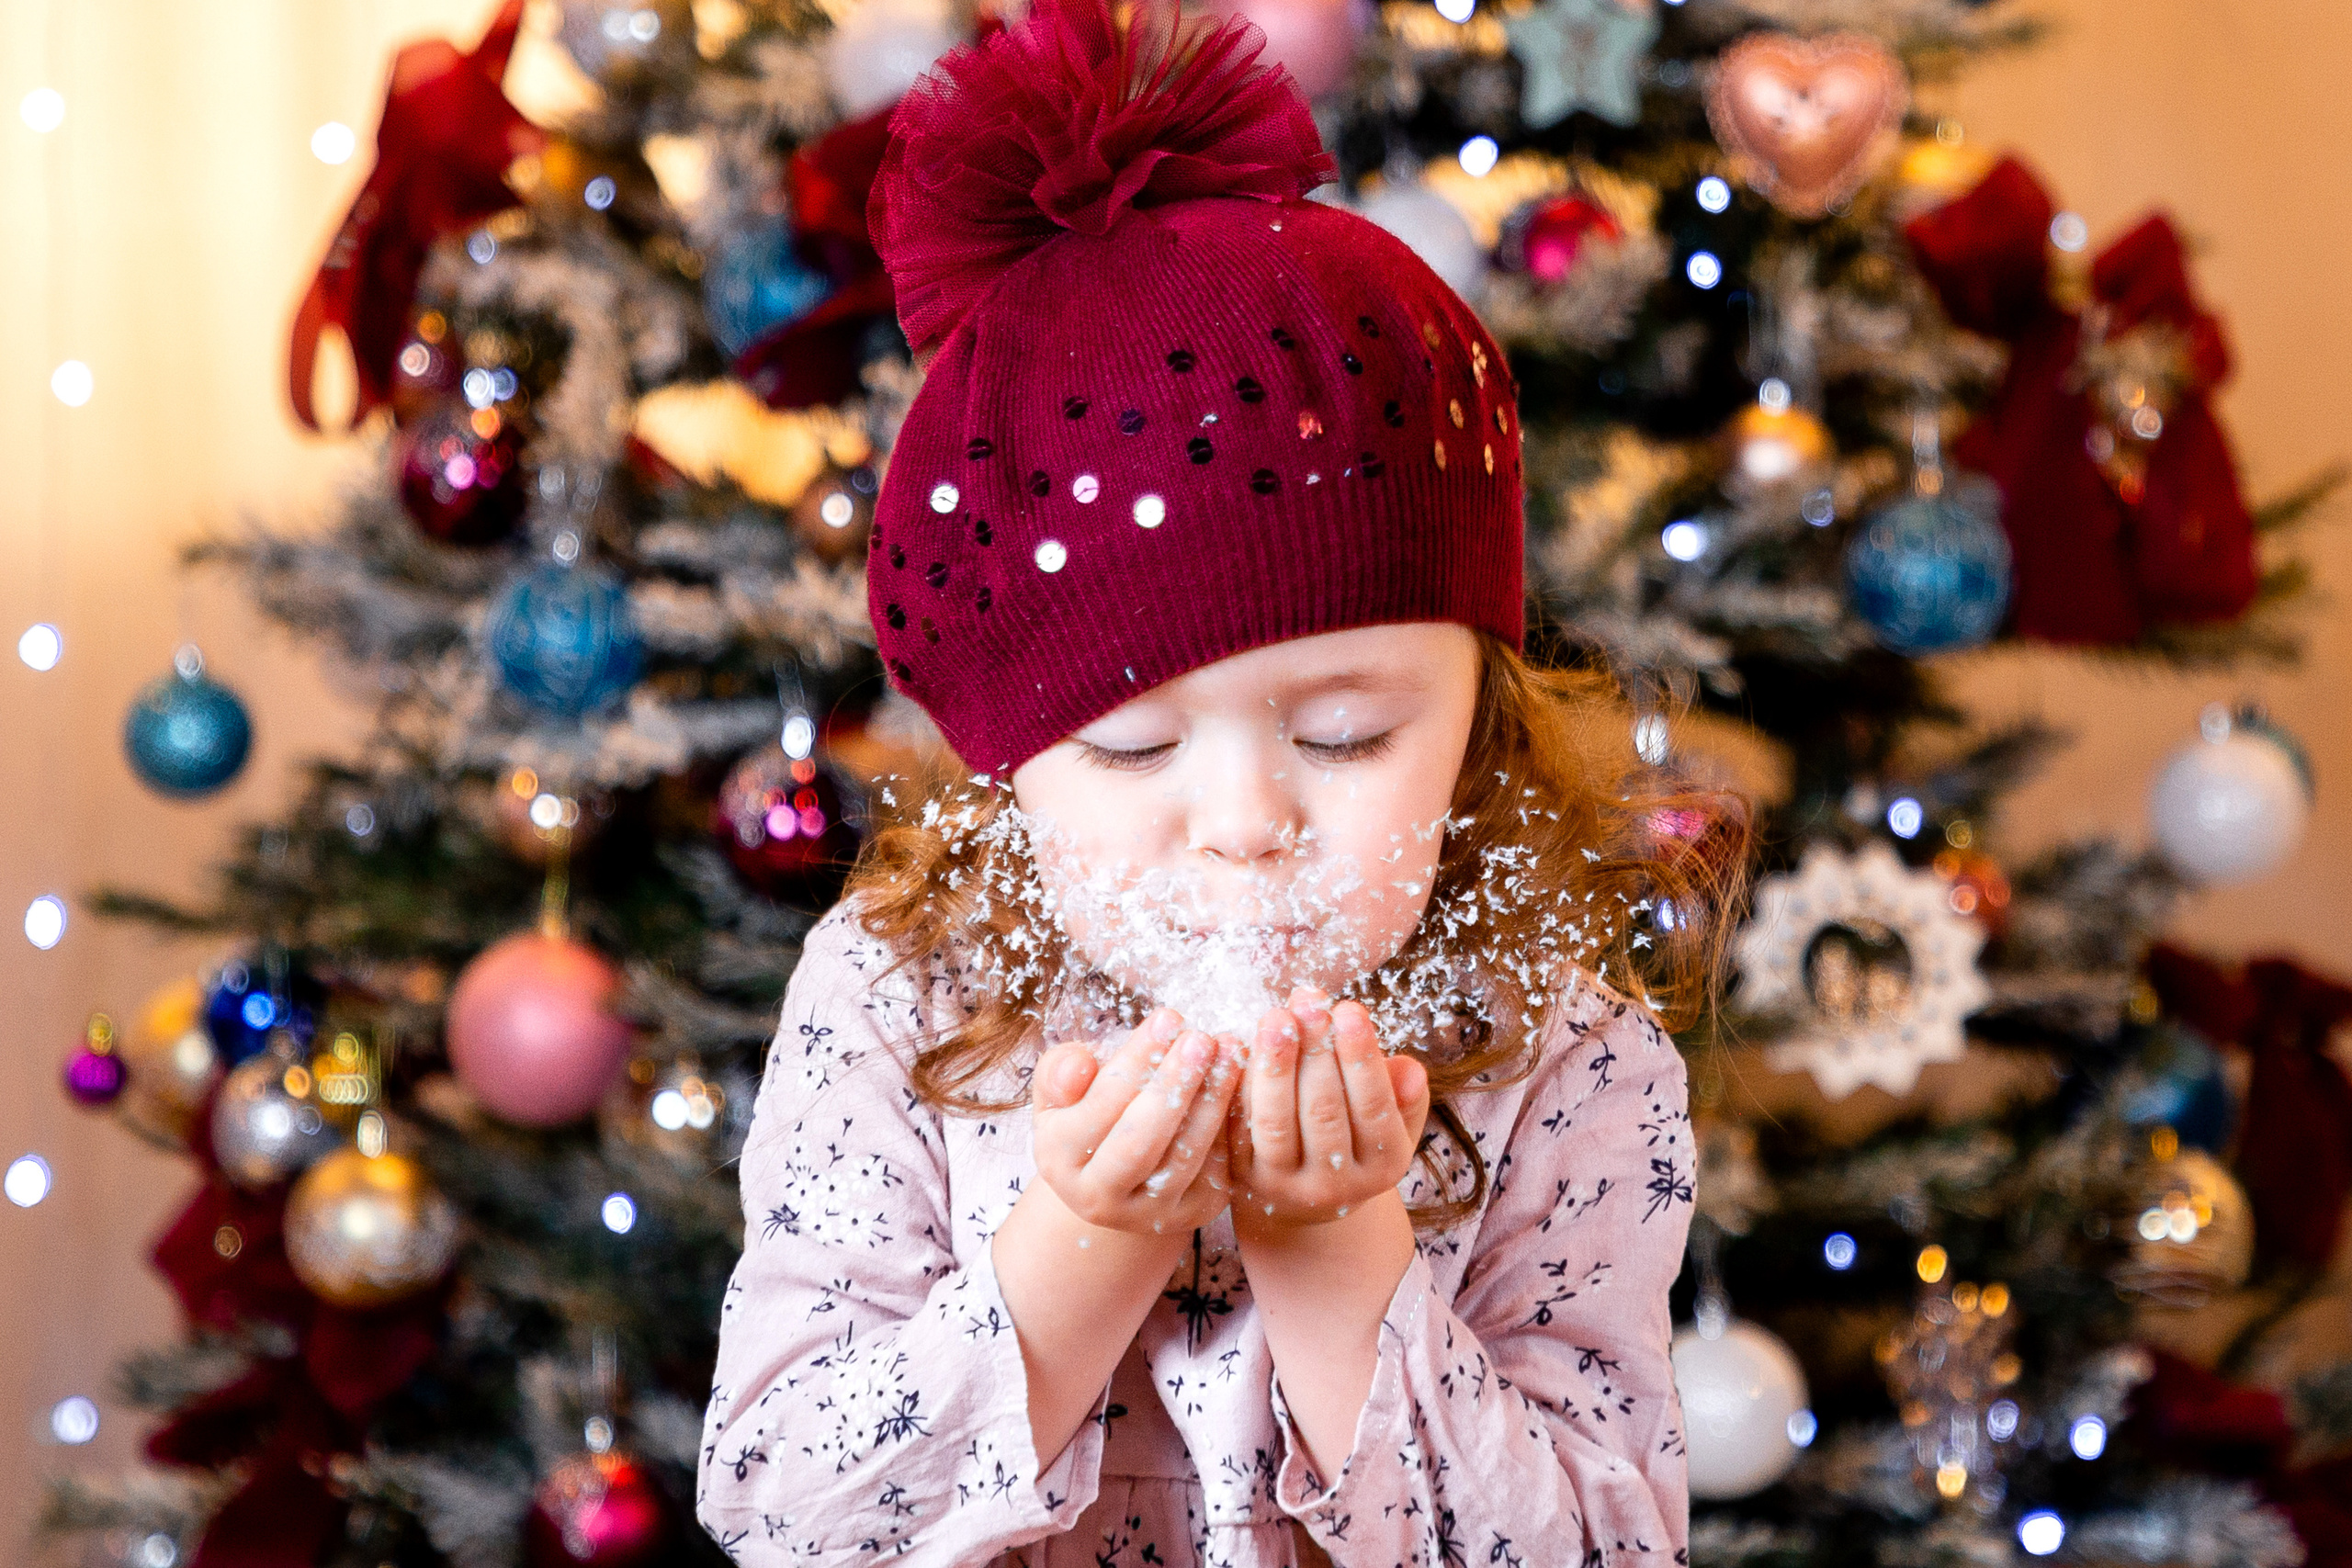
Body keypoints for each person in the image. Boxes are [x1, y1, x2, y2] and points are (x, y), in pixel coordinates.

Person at [696, 0, 1741, 1561]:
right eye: (1127, 745)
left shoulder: (1568, 1056)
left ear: (1481, 708)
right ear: (1009, 766)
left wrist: (1339, 1261)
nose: (1249, 825)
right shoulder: (895, 1000)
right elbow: (782, 1513)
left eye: (1344, 736)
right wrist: (1076, 1254)